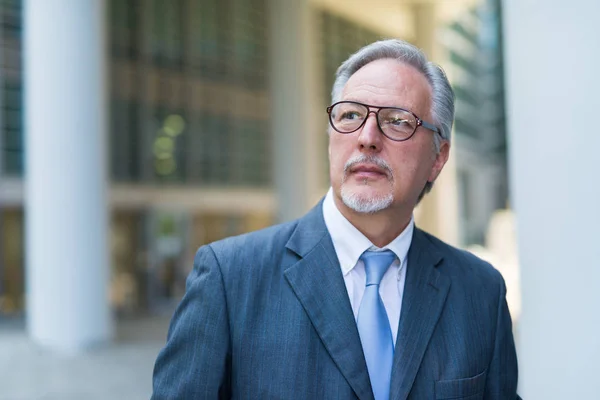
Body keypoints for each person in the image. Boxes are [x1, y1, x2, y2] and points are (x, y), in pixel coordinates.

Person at [151, 39, 520, 400]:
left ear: (438, 157)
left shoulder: (480, 292)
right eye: (351, 115)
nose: (367, 137)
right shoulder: (229, 279)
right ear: (330, 137)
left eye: (397, 121)